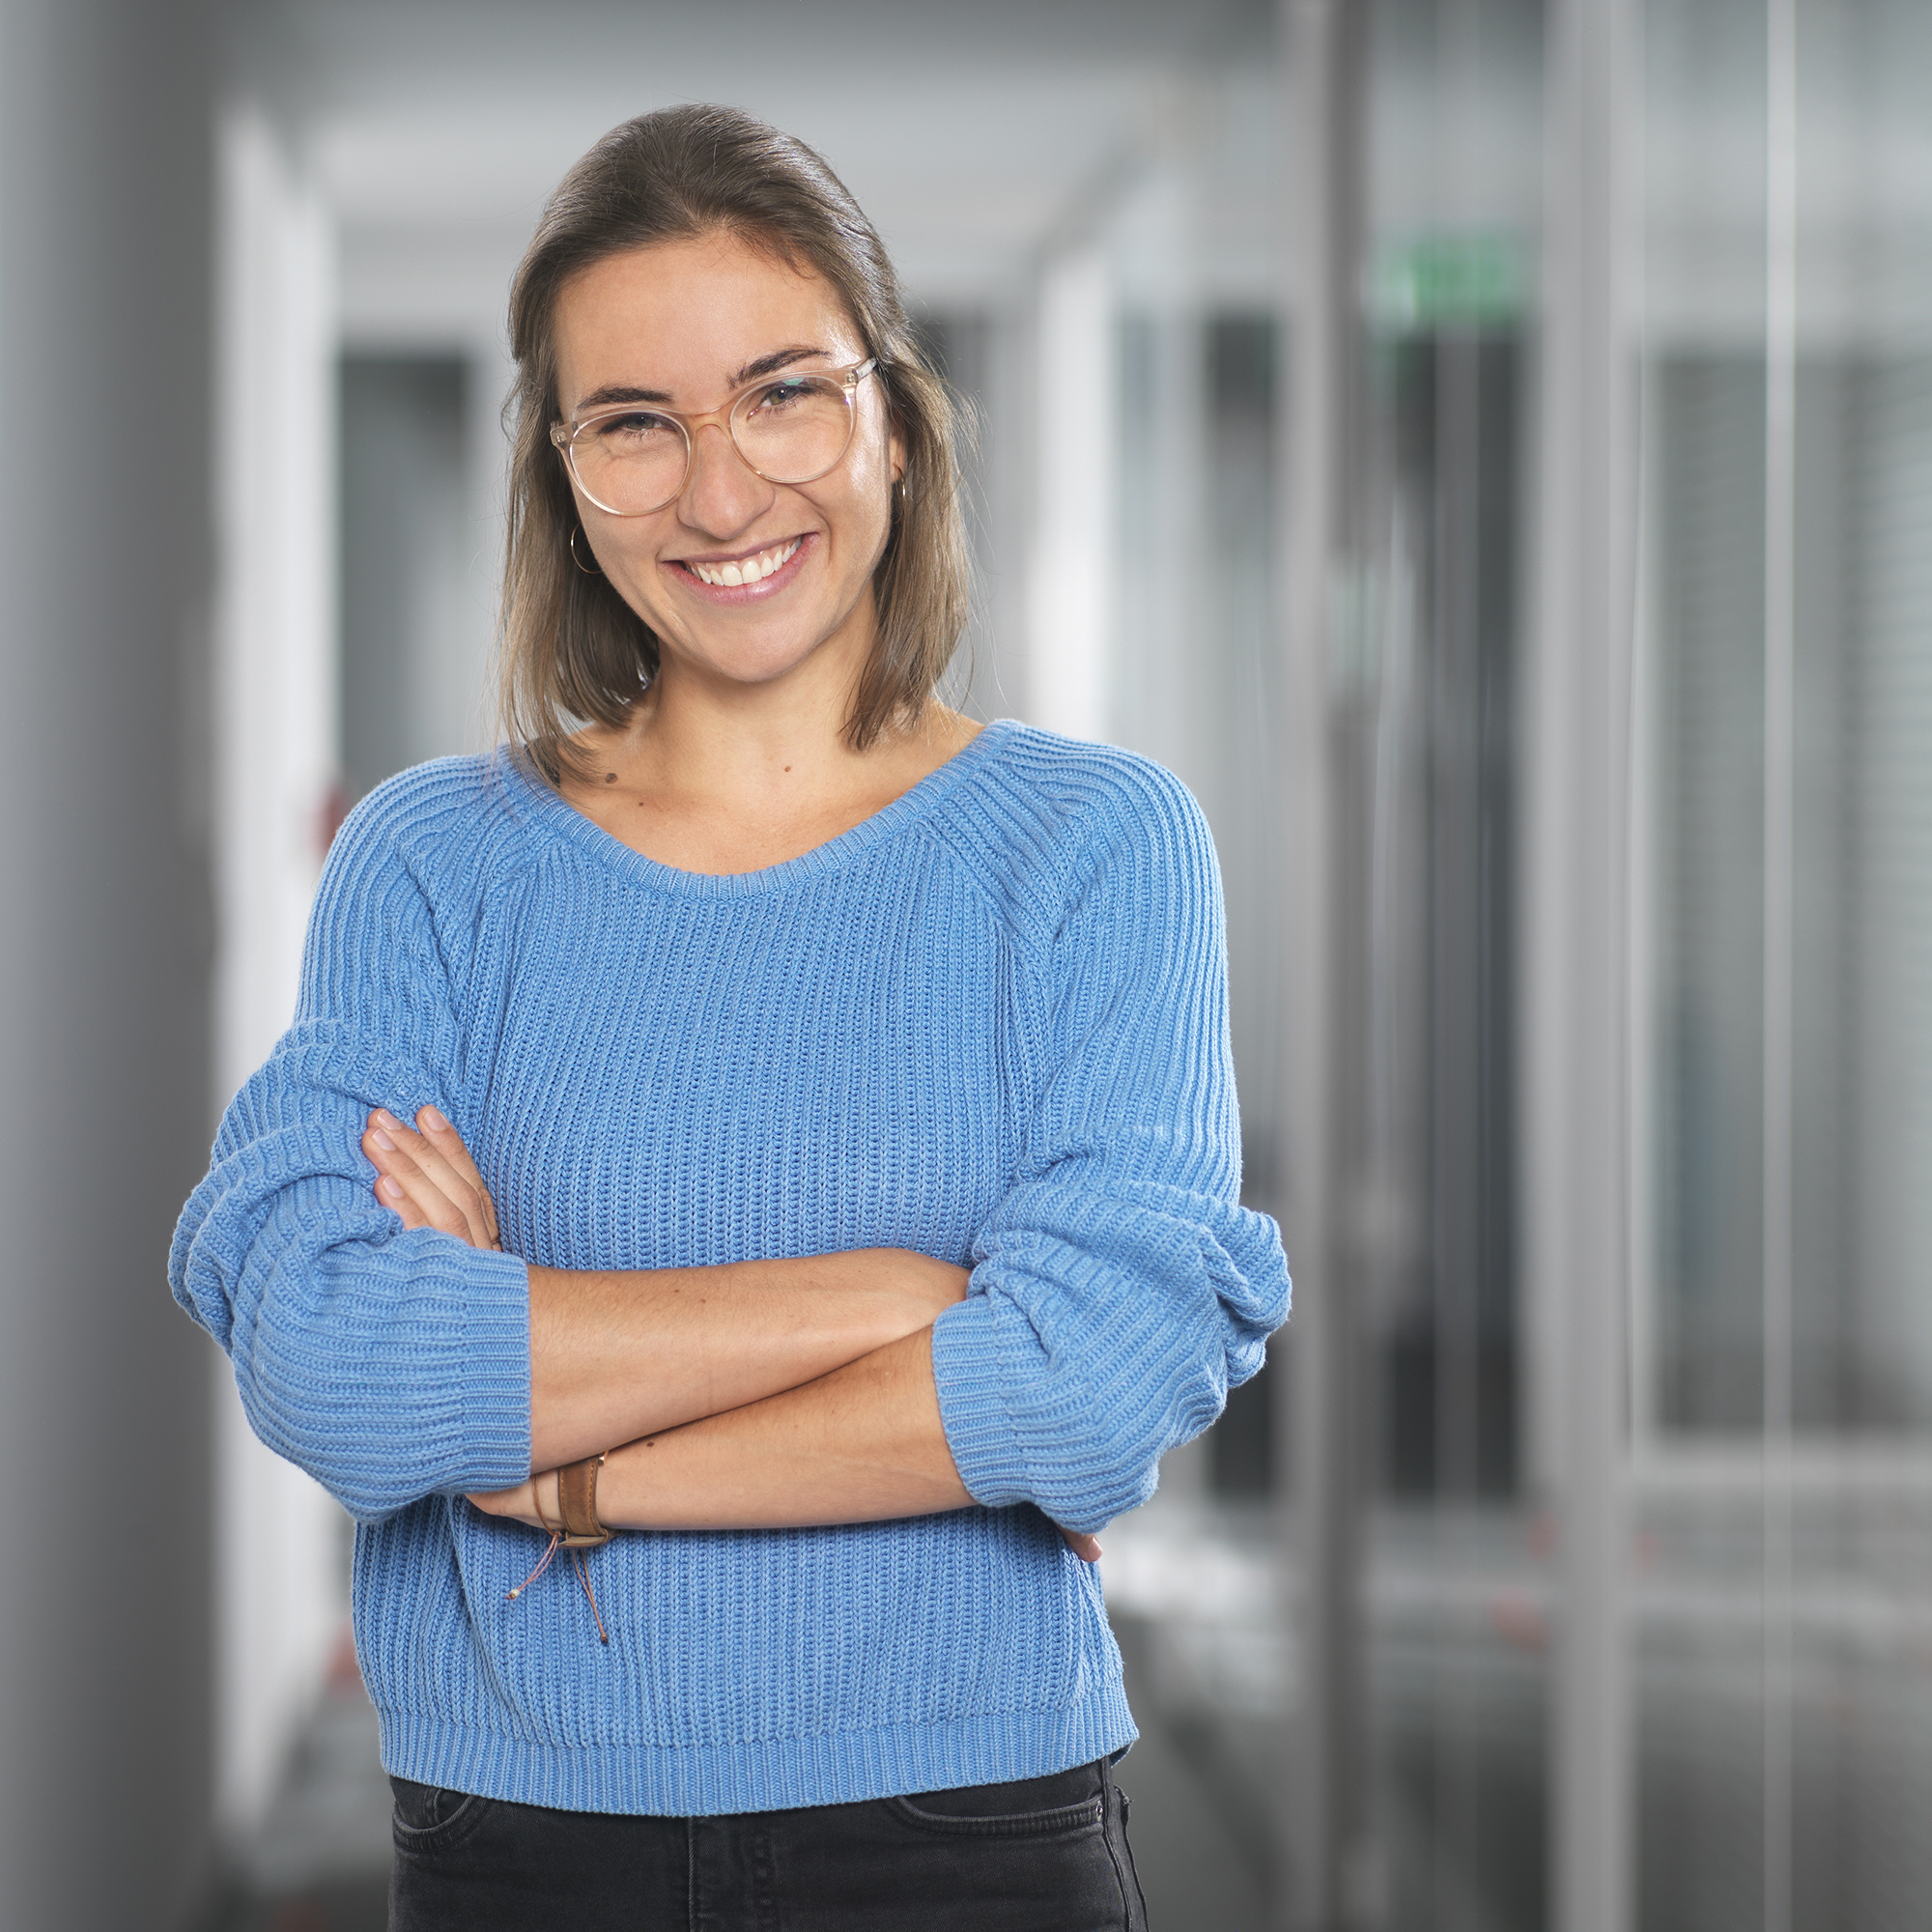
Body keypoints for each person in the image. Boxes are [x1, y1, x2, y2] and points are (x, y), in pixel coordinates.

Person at [171, 102, 1290, 1931]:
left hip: (966, 1834)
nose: (718, 494)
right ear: (562, 476)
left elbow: (1089, 1389)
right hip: (521, 1836)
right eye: (635, 422)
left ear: (895, 424)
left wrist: (559, 1466)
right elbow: (335, 1358)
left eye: (783, 394)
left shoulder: (1095, 847)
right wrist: (893, 1301)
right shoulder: (432, 861)